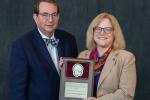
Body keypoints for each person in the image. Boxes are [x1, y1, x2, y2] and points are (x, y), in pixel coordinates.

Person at [10, 0, 78, 100]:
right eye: (45, 15)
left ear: (58, 17)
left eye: (54, 14)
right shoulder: (21, 45)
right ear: (35, 17)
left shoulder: (69, 39)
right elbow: (17, 91)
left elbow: (76, 76)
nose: (50, 20)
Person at [78, 12, 136, 100]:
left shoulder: (126, 58)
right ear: (92, 32)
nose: (102, 33)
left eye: (107, 29)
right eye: (98, 28)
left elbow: (126, 94)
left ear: (115, 33)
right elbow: (75, 84)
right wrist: (65, 68)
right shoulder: (82, 56)